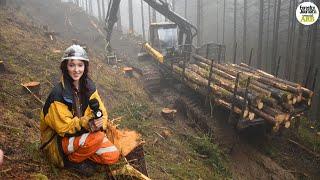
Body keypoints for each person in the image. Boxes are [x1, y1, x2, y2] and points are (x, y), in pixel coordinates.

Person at [40, 45, 120, 175]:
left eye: (80, 65)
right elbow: (63, 129)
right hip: (57, 142)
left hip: (82, 134)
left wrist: (100, 123)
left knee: (112, 155)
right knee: (98, 137)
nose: (76, 70)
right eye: (72, 65)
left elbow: (102, 113)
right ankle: (72, 161)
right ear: (65, 67)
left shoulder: (89, 87)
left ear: (85, 67)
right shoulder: (58, 95)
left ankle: (83, 153)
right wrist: (86, 123)